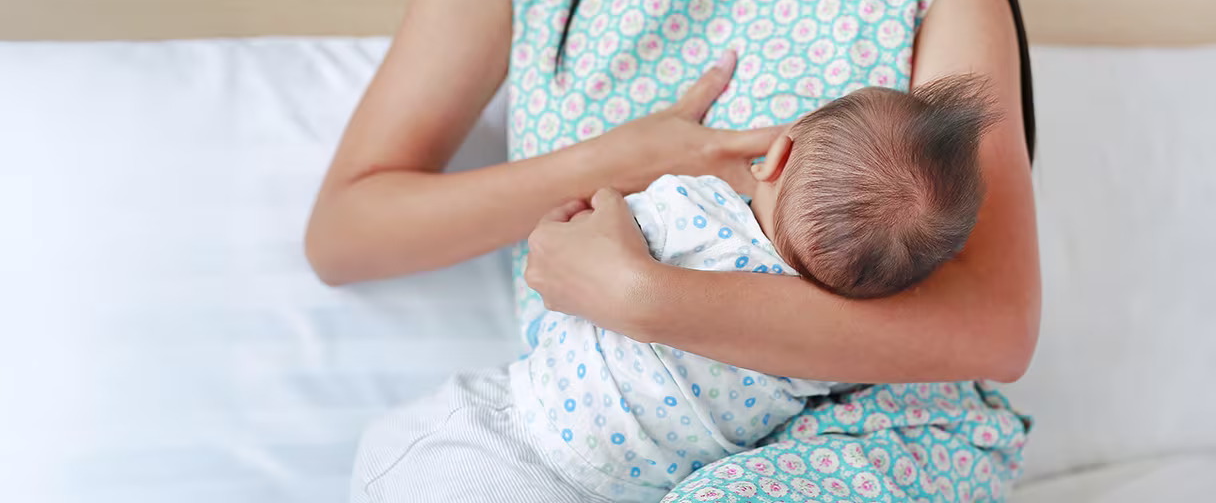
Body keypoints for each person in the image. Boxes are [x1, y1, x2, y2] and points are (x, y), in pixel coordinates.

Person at [307, 0, 1041, 500]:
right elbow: (347, 233)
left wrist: (646, 298)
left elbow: (999, 331)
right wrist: (616, 161)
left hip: (863, 440)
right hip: (594, 444)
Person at [349, 78, 997, 502]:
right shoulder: (818, 362)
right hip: (577, 480)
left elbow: (589, 226)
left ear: (776, 154)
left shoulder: (691, 207)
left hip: (509, 431)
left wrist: (598, 200)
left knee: (400, 465)